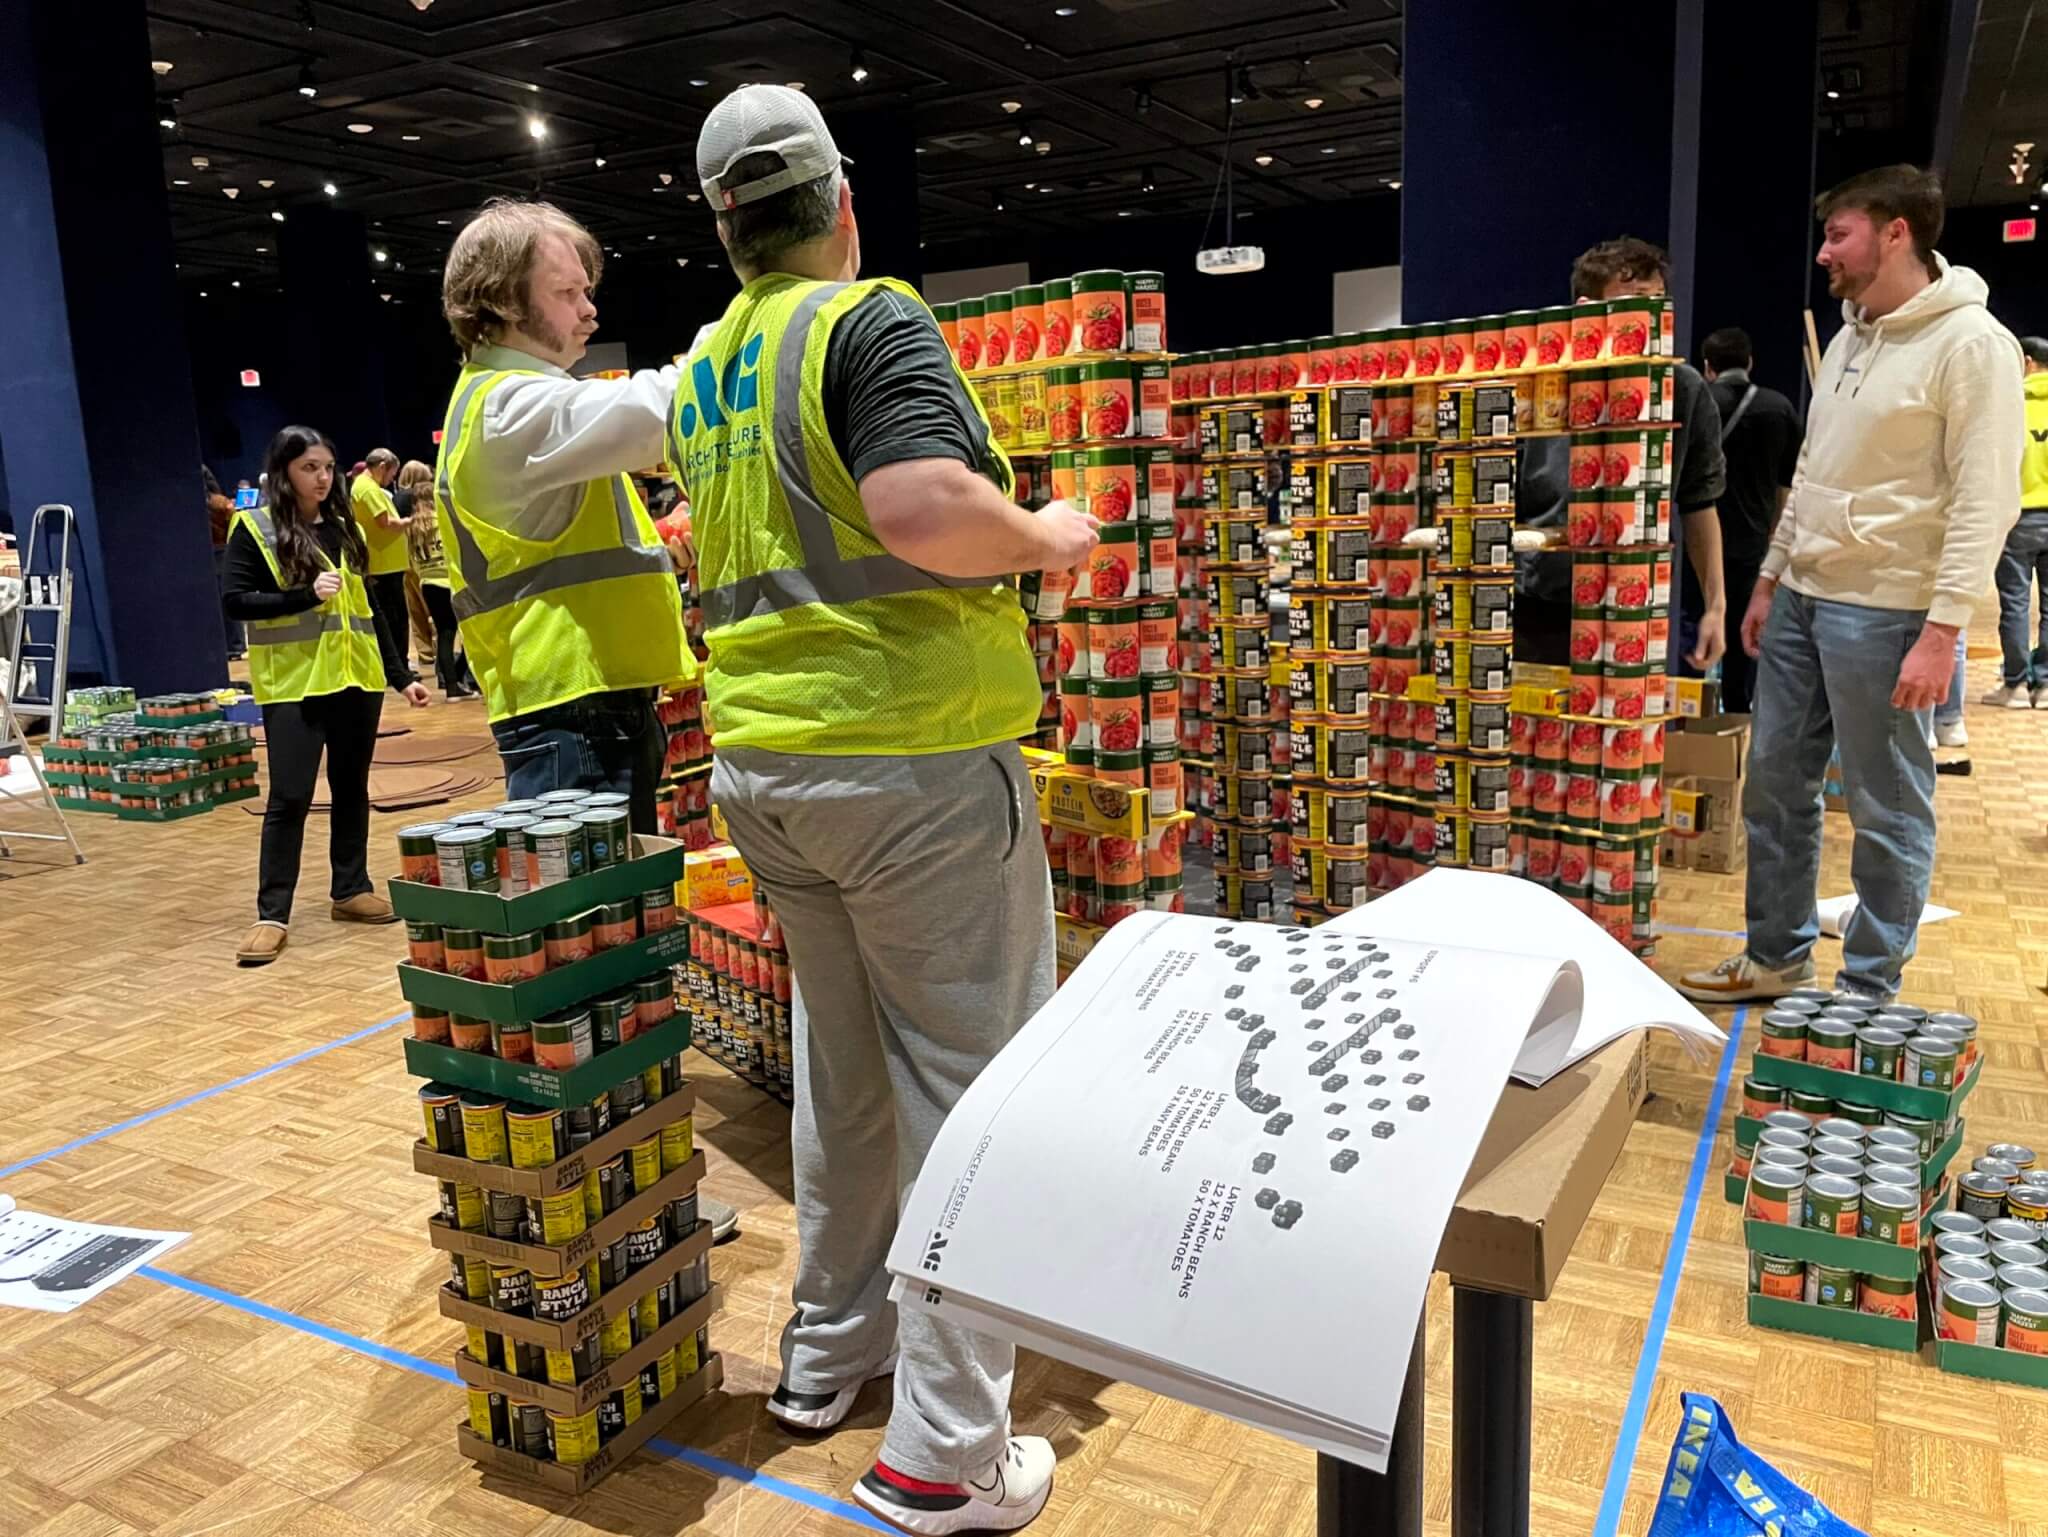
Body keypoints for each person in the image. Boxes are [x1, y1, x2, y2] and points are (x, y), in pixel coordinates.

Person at [683, 85, 1099, 1535]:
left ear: (727, 226)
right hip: (911, 767)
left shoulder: (705, 370)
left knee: (843, 1078)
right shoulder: (866, 321)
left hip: (771, 776)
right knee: (968, 1098)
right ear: (841, 202)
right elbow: (921, 503)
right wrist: (1041, 534)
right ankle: (944, 1453)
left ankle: (825, 1354)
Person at [434, 198, 737, 1243]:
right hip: (570, 723)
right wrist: (741, 333)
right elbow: (650, 412)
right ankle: (585, 1200)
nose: (588, 303)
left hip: (594, 712)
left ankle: (621, 1190)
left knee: (614, 966)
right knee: (583, 977)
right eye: (568, 288)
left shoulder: (516, 405)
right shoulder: (506, 410)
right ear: (502, 298)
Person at [1680, 165, 2023, 1004]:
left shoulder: (1973, 345)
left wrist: (1945, 631)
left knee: (1886, 806)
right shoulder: (1846, 338)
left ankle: (1868, 990)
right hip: (1803, 597)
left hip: (1892, 610)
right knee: (1773, 787)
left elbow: (1988, 497)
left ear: (1897, 232)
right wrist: (1768, 581)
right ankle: (1776, 953)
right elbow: (1815, 470)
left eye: (1840, 234)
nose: (1825, 253)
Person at [223, 425, 430, 965]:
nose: (321, 476)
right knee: (289, 797)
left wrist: (400, 674)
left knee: (351, 787)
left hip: (355, 683)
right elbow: (236, 602)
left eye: (327, 466)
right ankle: (272, 913)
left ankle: (350, 889)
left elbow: (372, 610)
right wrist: (299, 597)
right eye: (309, 467)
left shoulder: (343, 529)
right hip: (295, 685)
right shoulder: (255, 528)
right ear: (284, 472)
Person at [1515, 238, 1728, 675]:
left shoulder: (1683, 388)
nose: (1648, 321)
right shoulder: (1540, 386)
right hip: (1540, 603)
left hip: (1636, 605)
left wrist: (1716, 606)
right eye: (1634, 304)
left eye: (1658, 304)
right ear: (1585, 310)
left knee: (1625, 737)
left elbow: (1698, 503)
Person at [1698, 328, 1803, 713]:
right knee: (1746, 628)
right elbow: (1788, 482)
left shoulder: (1699, 402)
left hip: (1698, 540)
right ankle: (1738, 713)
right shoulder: (1779, 407)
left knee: (1694, 623)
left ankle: (1692, 714)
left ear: (1707, 367)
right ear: (1749, 362)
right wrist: (1776, 530)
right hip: (1753, 538)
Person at [1983, 335, 2048, 707]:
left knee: (2016, 603)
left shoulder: (2009, 406)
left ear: (2025, 362)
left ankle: (2016, 685)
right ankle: (2047, 683)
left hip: (2018, 519)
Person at [398, 459, 476, 700]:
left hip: (427, 583)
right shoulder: (441, 521)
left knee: (444, 633)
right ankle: (461, 677)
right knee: (470, 631)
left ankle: (451, 685)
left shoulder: (411, 527)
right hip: (449, 581)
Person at [348, 448, 416, 681]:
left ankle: (397, 667)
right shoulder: (367, 488)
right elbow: (385, 522)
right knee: (394, 619)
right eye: (392, 474)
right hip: (383, 565)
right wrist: (410, 521)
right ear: (383, 465)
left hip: (386, 563)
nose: (392, 480)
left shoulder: (365, 487)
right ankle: (398, 668)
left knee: (393, 618)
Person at [204, 464, 245, 661]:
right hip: (224, 552)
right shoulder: (223, 503)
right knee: (228, 602)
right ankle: (235, 646)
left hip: (211, 553)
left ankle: (227, 646)